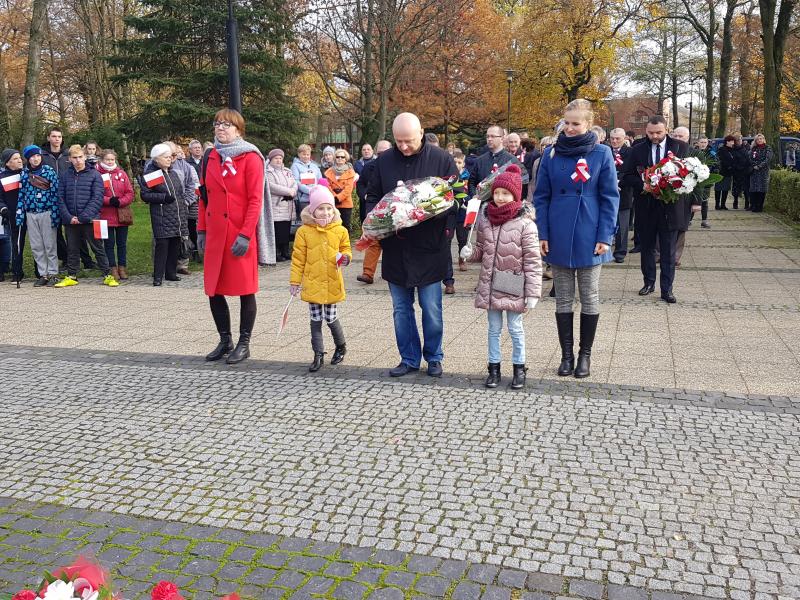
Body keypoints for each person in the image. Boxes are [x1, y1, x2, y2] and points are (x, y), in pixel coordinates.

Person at [365, 112, 458, 377]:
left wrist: (430, 215)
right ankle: (408, 358)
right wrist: (374, 220)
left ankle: (434, 357)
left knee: (431, 308)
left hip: (430, 247)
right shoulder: (384, 161)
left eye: (409, 141)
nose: (404, 146)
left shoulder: (441, 159)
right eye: (399, 141)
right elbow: (372, 195)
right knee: (401, 309)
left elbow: (457, 197)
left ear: (421, 133)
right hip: (396, 247)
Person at [534, 99, 619, 378]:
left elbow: (610, 197)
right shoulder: (551, 154)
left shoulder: (601, 153)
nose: (569, 128)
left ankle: (585, 355)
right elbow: (541, 197)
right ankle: (566, 355)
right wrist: (543, 232)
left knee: (589, 295)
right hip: (558, 231)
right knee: (563, 297)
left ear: (588, 124)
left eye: (575, 124)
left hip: (590, 231)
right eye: (566, 123)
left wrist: (605, 235)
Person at [460, 164, 542, 390]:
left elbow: (533, 261)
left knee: (515, 329)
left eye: (505, 193)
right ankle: (494, 368)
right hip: (490, 283)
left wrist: (533, 293)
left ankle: (519, 368)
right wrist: (469, 253)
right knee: (493, 329)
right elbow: (481, 250)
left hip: (513, 284)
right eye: (497, 192)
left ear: (515, 195)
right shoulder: (485, 220)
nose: (500, 197)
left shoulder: (526, 224)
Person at [197, 109, 264, 364]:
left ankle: (244, 343)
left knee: (245, 290)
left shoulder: (251, 157)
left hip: (239, 234)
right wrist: (201, 229)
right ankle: (225, 340)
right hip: (215, 234)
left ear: (238, 129)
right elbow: (204, 196)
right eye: (217, 124)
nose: (220, 128)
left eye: (226, 124)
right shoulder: (210, 156)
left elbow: (255, 200)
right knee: (213, 290)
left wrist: (246, 234)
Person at [621, 115, 691, 304]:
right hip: (646, 207)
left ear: (666, 130)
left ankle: (667, 289)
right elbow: (626, 176)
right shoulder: (637, 150)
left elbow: (691, 175)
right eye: (651, 133)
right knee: (647, 248)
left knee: (668, 250)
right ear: (646, 131)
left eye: (658, 132)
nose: (654, 136)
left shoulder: (681, 147)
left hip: (671, 208)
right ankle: (649, 282)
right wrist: (642, 184)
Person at [289, 184, 352, 372]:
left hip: (332, 281)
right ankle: (318, 353)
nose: (325, 213)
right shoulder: (304, 232)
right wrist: (295, 281)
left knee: (331, 318)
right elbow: (298, 259)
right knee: (315, 320)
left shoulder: (340, 230)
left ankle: (340, 346)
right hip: (313, 282)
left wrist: (346, 257)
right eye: (321, 209)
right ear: (312, 210)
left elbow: (346, 249)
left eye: (328, 208)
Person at [54, 145, 118, 288]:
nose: (78, 160)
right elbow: (60, 198)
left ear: (85, 157)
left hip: (90, 219)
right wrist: (68, 217)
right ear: (70, 159)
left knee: (98, 248)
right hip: (70, 220)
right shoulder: (65, 176)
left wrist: (83, 217)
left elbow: (97, 198)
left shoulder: (95, 175)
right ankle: (72, 275)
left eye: (80, 157)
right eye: (75, 158)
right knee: (72, 249)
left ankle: (107, 275)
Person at [40, 126, 93, 270]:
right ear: (48, 138)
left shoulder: (68, 154)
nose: (57, 139)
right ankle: (65, 258)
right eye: (54, 136)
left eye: (59, 136)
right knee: (56, 231)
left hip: (69, 195)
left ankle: (87, 260)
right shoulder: (42, 155)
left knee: (77, 230)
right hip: (50, 197)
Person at [139, 143, 187, 287]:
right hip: (161, 214)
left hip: (177, 214)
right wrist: (163, 198)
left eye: (170, 157)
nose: (169, 159)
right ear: (157, 159)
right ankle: (158, 276)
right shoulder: (153, 174)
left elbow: (179, 194)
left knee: (175, 244)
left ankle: (170, 273)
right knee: (162, 245)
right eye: (165, 157)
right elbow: (145, 195)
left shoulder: (173, 173)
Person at [18, 146, 60, 286]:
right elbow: (21, 195)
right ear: (28, 159)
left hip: (47, 211)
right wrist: (20, 214)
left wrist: (55, 213)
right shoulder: (24, 174)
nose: (35, 159)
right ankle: (43, 274)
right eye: (32, 157)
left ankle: (53, 273)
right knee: (36, 246)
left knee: (50, 244)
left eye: (38, 156)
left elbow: (55, 193)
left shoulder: (49, 171)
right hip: (31, 213)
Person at [356, 139, 392, 284]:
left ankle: (390, 272)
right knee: (373, 241)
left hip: (393, 209)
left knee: (391, 243)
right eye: (380, 153)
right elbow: (360, 184)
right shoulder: (369, 167)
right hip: (374, 209)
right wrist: (364, 195)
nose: (382, 155)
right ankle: (368, 273)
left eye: (385, 152)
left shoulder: (397, 166)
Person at [97, 149, 134, 281]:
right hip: (105, 214)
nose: (110, 162)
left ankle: (122, 267)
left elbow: (130, 192)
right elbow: (96, 194)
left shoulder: (121, 173)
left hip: (122, 214)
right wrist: (108, 200)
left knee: (122, 243)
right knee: (109, 243)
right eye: (107, 159)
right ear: (102, 160)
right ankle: (112, 267)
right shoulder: (97, 174)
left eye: (112, 159)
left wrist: (120, 201)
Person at [469, 126, 529, 197]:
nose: (489, 139)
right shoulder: (479, 160)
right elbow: (472, 182)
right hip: (481, 202)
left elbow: (523, 183)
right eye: (487, 136)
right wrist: (474, 196)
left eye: (493, 136)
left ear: (502, 138)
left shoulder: (513, 161)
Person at [167, 141, 197, 275]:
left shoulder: (185, 166)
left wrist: (186, 201)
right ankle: (164, 266)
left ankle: (182, 264)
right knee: (163, 239)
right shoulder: (154, 165)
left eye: (177, 151)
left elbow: (192, 185)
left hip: (182, 206)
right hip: (164, 208)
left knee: (183, 236)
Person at [266, 148, 297, 261]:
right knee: (277, 230)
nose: (278, 160)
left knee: (286, 229)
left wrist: (293, 191)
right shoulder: (268, 172)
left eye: (280, 158)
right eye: (276, 158)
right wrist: (289, 192)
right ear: (271, 159)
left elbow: (294, 183)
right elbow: (271, 186)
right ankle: (277, 253)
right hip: (276, 205)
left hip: (288, 206)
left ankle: (285, 251)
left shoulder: (287, 171)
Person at [0, 149, 25, 282]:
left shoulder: (26, 173)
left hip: (31, 213)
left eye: (19, 157)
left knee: (37, 244)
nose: (19, 160)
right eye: (15, 159)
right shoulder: (2, 177)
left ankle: (41, 272)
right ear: (7, 163)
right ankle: (17, 272)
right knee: (17, 244)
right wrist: (3, 208)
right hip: (13, 215)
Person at [608, 128, 632, 263]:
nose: (614, 141)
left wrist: (618, 181)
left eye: (617, 138)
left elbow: (632, 171)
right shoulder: (605, 151)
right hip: (606, 193)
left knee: (622, 225)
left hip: (624, 192)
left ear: (624, 139)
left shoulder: (630, 152)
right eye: (612, 138)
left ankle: (620, 252)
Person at [324, 149, 356, 235]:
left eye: (342, 157)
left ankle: (345, 243)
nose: (340, 158)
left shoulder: (350, 172)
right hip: (332, 202)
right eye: (338, 157)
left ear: (346, 159)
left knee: (345, 226)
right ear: (335, 158)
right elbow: (328, 186)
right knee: (333, 225)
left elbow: (349, 188)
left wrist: (338, 198)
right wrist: (334, 197)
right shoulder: (329, 171)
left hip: (346, 203)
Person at [291, 144, 323, 220]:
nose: (306, 156)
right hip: (303, 199)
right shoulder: (295, 166)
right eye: (304, 154)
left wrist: (319, 190)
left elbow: (320, 180)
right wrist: (309, 190)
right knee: (306, 220)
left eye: (308, 154)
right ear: (299, 154)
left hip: (315, 198)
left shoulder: (315, 166)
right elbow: (296, 181)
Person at [185, 139, 204, 261]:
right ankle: (195, 250)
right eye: (195, 147)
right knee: (192, 224)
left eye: (199, 147)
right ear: (190, 150)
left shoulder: (206, 161)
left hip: (204, 195)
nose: (198, 149)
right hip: (193, 197)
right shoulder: (187, 163)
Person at [453, 150, 471, 271]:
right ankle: (445, 261)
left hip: (463, 211)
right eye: (455, 162)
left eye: (459, 162)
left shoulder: (467, 177)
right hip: (451, 210)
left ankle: (462, 259)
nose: (457, 165)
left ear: (463, 164)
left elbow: (471, 190)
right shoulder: (449, 176)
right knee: (447, 238)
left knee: (462, 237)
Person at [749, 133, 773, 213]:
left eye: (761, 139)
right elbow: (750, 158)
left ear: (764, 139)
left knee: (762, 189)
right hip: (754, 172)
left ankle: (760, 206)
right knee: (754, 189)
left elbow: (767, 159)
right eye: (758, 139)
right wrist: (754, 165)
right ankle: (754, 206)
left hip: (763, 172)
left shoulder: (768, 148)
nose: (759, 140)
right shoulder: (753, 149)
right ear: (755, 141)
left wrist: (759, 166)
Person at [730, 134, 752, 210]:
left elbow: (748, 160)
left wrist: (748, 169)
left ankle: (747, 203)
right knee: (736, 188)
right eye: (737, 140)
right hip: (736, 172)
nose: (739, 141)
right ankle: (735, 201)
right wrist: (736, 167)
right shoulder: (732, 150)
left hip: (745, 172)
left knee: (746, 188)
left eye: (740, 140)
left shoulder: (746, 148)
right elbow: (732, 161)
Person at [355, 144, 376, 223]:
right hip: (364, 197)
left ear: (372, 151)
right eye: (364, 150)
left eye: (368, 149)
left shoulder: (378, 162)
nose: (366, 151)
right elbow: (360, 182)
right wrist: (363, 195)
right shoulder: (357, 164)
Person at [714, 135, 736, 210]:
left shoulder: (732, 150)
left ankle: (723, 204)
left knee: (725, 189)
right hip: (721, 172)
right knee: (718, 188)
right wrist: (728, 165)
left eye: (733, 141)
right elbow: (721, 160)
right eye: (731, 141)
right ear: (727, 142)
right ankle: (717, 204)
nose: (733, 143)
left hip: (728, 173)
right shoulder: (722, 149)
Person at [695, 137, 712, 228]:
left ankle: (704, 221)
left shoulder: (711, 153)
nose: (703, 144)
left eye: (705, 142)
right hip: (695, 180)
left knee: (704, 201)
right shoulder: (693, 152)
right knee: (693, 200)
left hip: (706, 180)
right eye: (701, 142)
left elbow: (716, 164)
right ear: (698, 143)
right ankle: (689, 220)